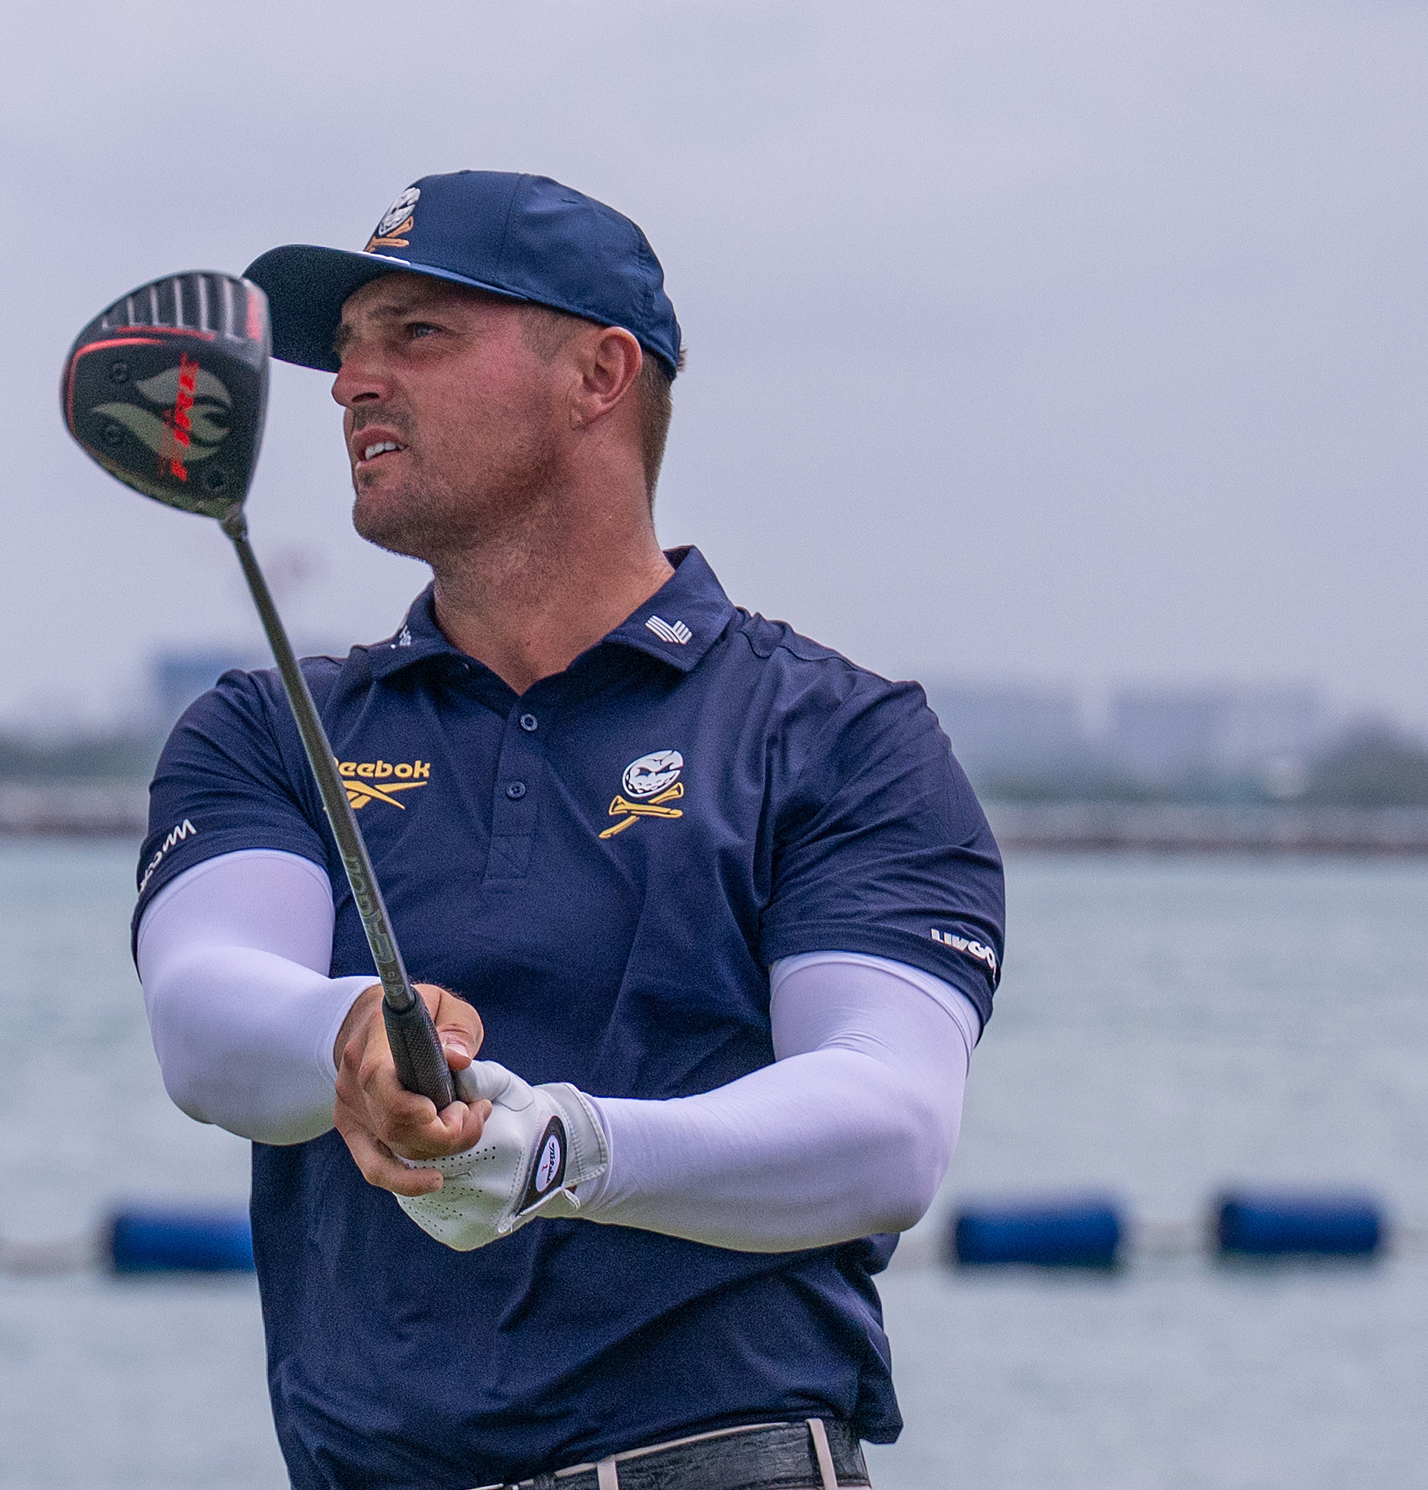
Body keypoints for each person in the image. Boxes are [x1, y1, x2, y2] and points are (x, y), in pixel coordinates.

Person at [130, 170, 1004, 1490]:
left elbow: (885, 1123)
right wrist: (357, 1034)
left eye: (416, 333)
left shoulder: (839, 735)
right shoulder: (265, 725)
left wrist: (569, 1150)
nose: (349, 382)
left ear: (600, 373)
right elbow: (205, 1018)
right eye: (347, 347)